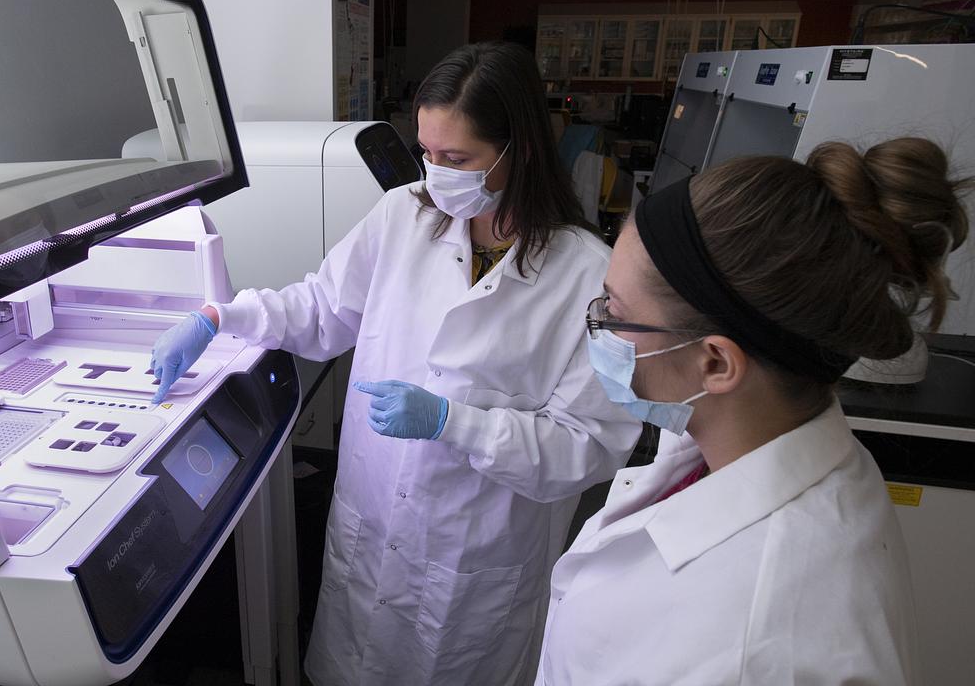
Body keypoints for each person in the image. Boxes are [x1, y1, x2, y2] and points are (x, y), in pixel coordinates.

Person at [150, 41, 638, 685]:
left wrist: (453, 424)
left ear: (517, 149)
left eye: (457, 159)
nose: (435, 175)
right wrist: (223, 316)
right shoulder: (403, 215)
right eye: (427, 153)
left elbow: (589, 447)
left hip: (474, 558)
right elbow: (323, 310)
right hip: (373, 517)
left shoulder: (587, 276)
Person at [535, 137, 970, 685]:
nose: (595, 324)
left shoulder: (764, 646)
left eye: (614, 312)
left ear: (716, 364)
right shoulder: (737, 438)